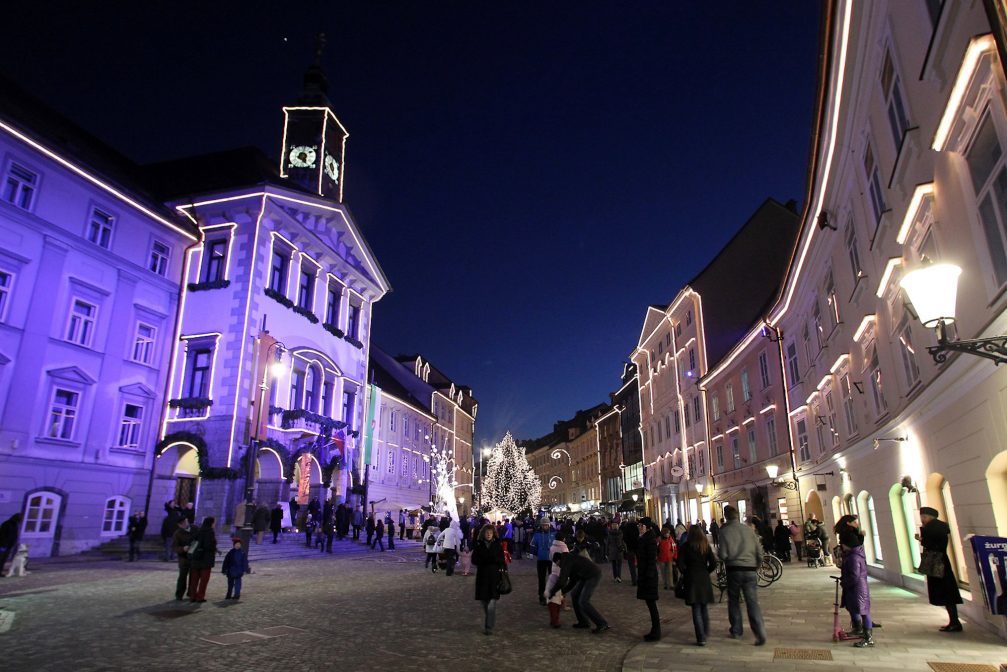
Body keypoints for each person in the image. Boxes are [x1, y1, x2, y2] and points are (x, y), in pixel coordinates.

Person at [718, 505, 767, 645]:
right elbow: (759, 551)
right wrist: (756, 565)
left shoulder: (725, 531)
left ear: (726, 516)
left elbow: (723, 554)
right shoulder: (748, 529)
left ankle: (736, 629)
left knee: (733, 600)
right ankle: (760, 632)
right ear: (737, 516)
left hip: (734, 569)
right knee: (752, 602)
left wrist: (722, 556)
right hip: (750, 569)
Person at [917, 506, 963, 632]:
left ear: (927, 516)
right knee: (948, 591)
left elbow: (930, 544)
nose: (922, 519)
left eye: (923, 517)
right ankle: (954, 620)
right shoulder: (942, 526)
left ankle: (954, 622)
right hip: (943, 561)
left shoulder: (931, 528)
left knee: (945, 591)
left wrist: (922, 539)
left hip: (936, 563)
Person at [834, 514, 874, 647]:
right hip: (855, 587)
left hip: (857, 587)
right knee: (856, 608)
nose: (842, 547)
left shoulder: (853, 558)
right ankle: (859, 630)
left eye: (843, 545)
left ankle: (867, 637)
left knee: (862, 610)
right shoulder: (853, 554)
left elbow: (854, 575)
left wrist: (845, 582)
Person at [549, 550, 609, 634]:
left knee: (583, 601)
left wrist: (552, 592)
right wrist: (562, 592)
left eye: (558, 564)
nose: (559, 567)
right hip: (585, 575)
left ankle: (602, 623)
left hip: (593, 575)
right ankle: (583, 621)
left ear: (558, 560)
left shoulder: (566, 561)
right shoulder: (569, 559)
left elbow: (562, 580)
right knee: (574, 594)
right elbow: (572, 581)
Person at [677, 524, 717, 646]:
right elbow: (714, 563)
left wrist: (686, 572)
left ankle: (701, 637)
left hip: (692, 578)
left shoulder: (685, 546)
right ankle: (705, 632)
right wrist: (706, 571)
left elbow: (680, 563)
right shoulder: (705, 546)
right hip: (703, 577)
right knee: (703, 607)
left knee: (696, 608)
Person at [472, 523, 506, 635]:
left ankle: (488, 627)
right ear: (483, 534)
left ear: (493, 534)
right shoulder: (479, 545)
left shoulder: (497, 545)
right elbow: (474, 560)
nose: (488, 534)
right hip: (482, 577)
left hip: (494, 577)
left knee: (492, 603)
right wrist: (486, 560)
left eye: (490, 533)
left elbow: (502, 560)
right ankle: (489, 619)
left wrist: (501, 570)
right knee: (484, 602)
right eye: (487, 533)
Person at [637, 518, 661, 641]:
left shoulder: (649, 540)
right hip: (646, 574)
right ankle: (655, 630)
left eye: (641, 526)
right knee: (650, 603)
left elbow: (651, 559)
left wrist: (648, 575)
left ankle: (656, 631)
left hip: (649, 576)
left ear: (647, 527)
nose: (640, 528)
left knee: (651, 604)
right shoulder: (645, 538)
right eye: (639, 526)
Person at [188, 517, 218, 603]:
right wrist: (214, 547)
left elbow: (192, 541)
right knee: (203, 580)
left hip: (196, 559)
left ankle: (192, 596)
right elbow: (208, 546)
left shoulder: (198, 531)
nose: (214, 524)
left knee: (194, 580)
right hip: (205, 560)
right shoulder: (210, 532)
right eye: (214, 522)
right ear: (211, 523)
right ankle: (200, 597)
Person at [530, 518, 557, 603]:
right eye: (543, 525)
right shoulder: (537, 534)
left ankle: (551, 596)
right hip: (541, 559)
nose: (545, 526)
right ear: (541, 525)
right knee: (541, 579)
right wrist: (536, 552)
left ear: (549, 525)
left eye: (546, 525)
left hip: (552, 560)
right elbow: (532, 544)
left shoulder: (554, 533)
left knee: (552, 579)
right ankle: (542, 597)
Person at [171, 517, 192, 600]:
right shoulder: (177, 533)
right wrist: (183, 549)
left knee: (193, 577)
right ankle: (179, 594)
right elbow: (174, 547)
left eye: (186, 521)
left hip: (194, 558)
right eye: (183, 523)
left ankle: (191, 593)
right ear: (180, 525)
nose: (186, 523)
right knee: (182, 577)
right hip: (184, 559)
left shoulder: (194, 529)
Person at [657, 526, 677, 590]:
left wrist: (674, 557)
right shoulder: (659, 540)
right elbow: (656, 549)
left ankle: (671, 584)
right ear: (663, 533)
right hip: (661, 558)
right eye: (666, 533)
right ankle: (665, 584)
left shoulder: (671, 539)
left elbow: (674, 549)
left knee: (670, 572)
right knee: (663, 572)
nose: (668, 534)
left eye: (668, 533)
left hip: (669, 558)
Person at [622, 517, 640, 586]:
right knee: (639, 564)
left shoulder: (626, 528)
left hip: (630, 548)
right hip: (638, 548)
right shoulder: (638, 527)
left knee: (631, 565)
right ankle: (639, 579)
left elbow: (624, 538)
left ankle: (634, 580)